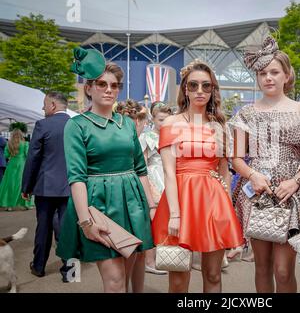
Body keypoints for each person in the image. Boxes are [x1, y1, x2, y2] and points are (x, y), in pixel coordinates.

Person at [56, 47, 154, 293]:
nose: (109, 89)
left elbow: (140, 169)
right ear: (88, 88)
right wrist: (85, 221)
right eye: (102, 84)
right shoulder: (76, 125)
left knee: (129, 276)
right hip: (98, 205)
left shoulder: (126, 125)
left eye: (114, 85)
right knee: (115, 281)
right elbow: (76, 177)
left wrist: (151, 207)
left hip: (132, 205)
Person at [229, 36, 300, 293]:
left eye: (275, 72)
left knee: (284, 270)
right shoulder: (246, 113)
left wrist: (296, 181)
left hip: (290, 194)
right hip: (256, 193)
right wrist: (252, 175)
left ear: (287, 75)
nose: (269, 77)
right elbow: (235, 158)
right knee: (262, 267)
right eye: (263, 73)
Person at [151, 59, 244, 293]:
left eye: (206, 86)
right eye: (193, 85)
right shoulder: (171, 123)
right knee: (179, 278)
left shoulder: (220, 126)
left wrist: (227, 212)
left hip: (213, 202)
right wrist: (174, 215)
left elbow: (224, 171)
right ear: (185, 89)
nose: (200, 91)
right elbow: (169, 173)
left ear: (213, 90)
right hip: (180, 201)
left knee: (213, 275)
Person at [21, 92, 71, 281]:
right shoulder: (77, 124)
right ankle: (71, 272)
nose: (43, 109)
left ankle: (39, 267)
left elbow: (33, 158)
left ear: (52, 105)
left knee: (43, 228)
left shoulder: (43, 125)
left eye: (44, 104)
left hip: (45, 186)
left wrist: (26, 186)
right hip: (70, 187)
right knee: (68, 229)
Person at [140, 101, 172, 274]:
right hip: (154, 178)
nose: (164, 124)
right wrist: (150, 186)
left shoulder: (172, 136)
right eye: (161, 120)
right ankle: (149, 261)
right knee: (152, 221)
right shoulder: (146, 137)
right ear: (153, 119)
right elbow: (142, 165)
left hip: (169, 177)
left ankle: (166, 257)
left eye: (167, 120)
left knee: (167, 220)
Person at [0, 129, 34, 210]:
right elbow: (27, 154)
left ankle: (9, 205)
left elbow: (6, 155)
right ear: (21, 135)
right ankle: (25, 204)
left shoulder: (9, 144)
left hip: (11, 165)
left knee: (10, 184)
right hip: (22, 165)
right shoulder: (25, 144)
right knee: (22, 184)